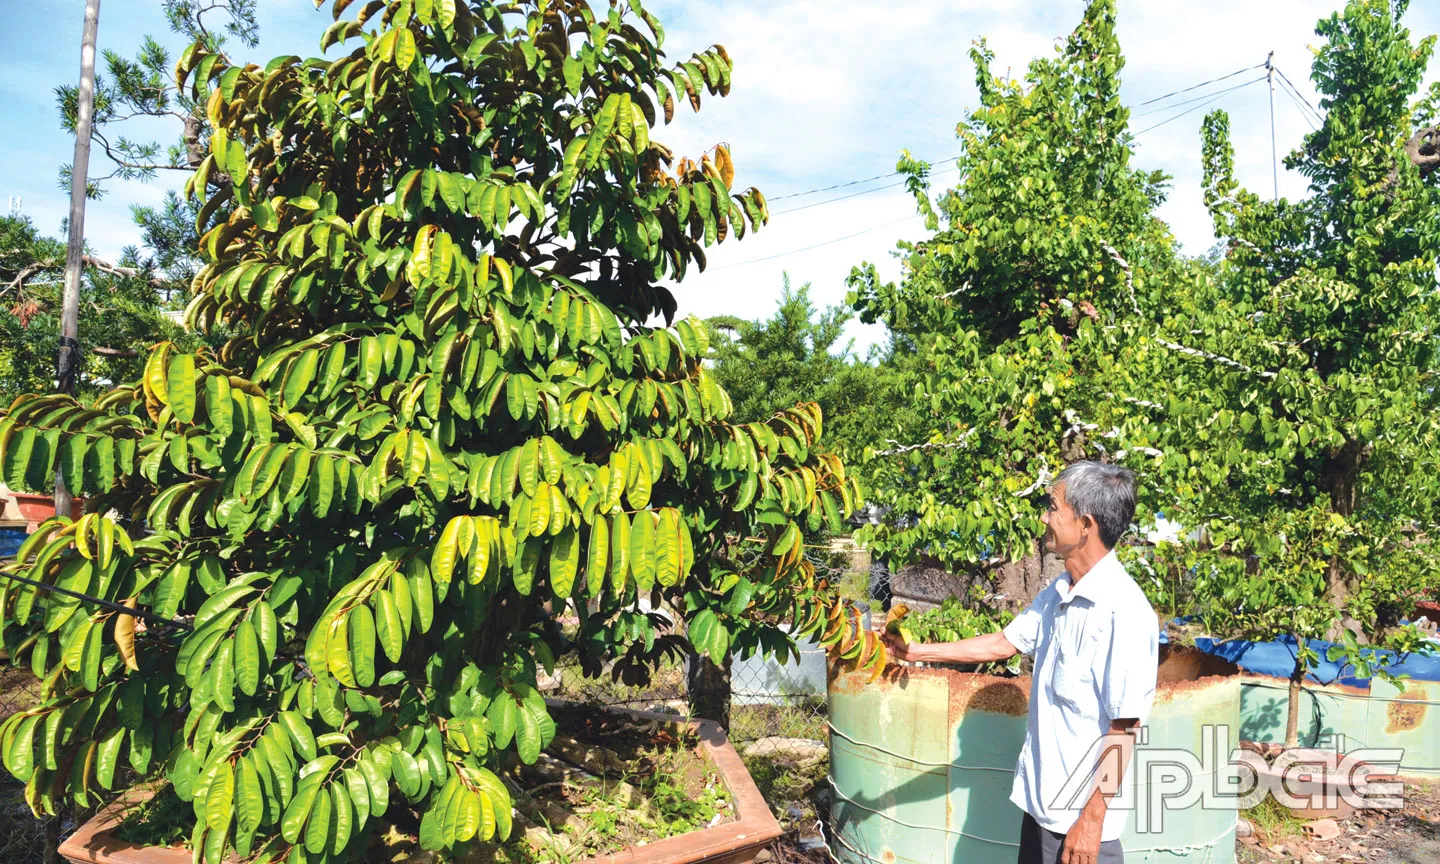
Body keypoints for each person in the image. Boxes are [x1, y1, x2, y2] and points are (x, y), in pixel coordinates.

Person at [883, 461, 1159, 864]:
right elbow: (1002, 643)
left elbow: (1125, 728)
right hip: (1042, 808)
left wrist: (1092, 823)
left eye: (1052, 507)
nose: (1044, 517)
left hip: (1080, 825)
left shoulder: (1124, 612)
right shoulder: (1061, 591)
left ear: (1085, 524)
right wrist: (915, 653)